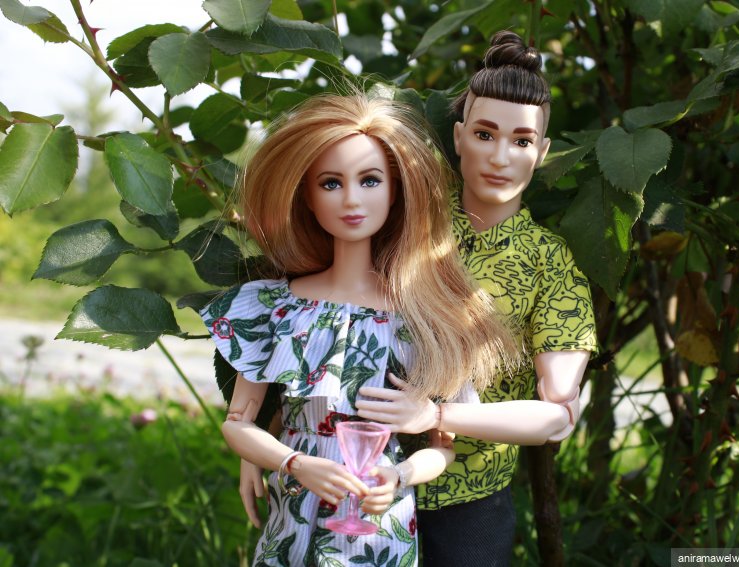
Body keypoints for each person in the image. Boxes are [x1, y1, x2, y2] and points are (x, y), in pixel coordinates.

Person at [200, 93, 517, 566]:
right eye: (331, 183)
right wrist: (293, 462)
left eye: (370, 180)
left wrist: (401, 475)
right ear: (306, 197)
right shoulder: (274, 306)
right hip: (296, 508)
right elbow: (238, 423)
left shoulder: (423, 317)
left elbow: (443, 447)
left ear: (395, 192)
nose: (351, 199)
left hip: (378, 519)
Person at [355, 31, 597, 566]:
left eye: (522, 141)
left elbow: (557, 416)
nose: (501, 156)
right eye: (485, 134)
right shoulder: (403, 220)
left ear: (542, 153)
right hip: (358, 471)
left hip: (471, 501)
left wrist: (435, 414)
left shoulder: (550, 264)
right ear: (460, 137)